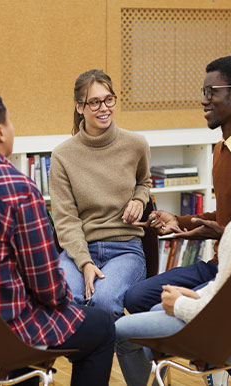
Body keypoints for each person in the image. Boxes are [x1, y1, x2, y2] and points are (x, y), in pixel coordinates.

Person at [0, 86, 115, 386]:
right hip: (9, 335)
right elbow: (47, 286)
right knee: (102, 326)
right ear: (1, 132)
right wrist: (67, 300)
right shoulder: (18, 188)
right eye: (11, 122)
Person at [123, 56, 231, 386]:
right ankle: (216, 359)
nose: (203, 99)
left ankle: (226, 360)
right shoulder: (220, 152)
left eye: (211, 91)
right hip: (218, 264)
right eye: (202, 91)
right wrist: (181, 220)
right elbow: (226, 216)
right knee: (135, 297)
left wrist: (223, 232)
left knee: (137, 332)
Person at [49, 69, 151, 321]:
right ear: (79, 107)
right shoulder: (63, 155)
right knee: (63, 299)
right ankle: (81, 360)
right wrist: (85, 263)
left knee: (104, 301)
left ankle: (105, 359)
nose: (104, 107)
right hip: (79, 250)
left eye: (108, 99)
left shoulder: (136, 144)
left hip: (125, 249)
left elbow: (144, 181)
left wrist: (139, 198)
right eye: (94, 102)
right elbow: (66, 220)